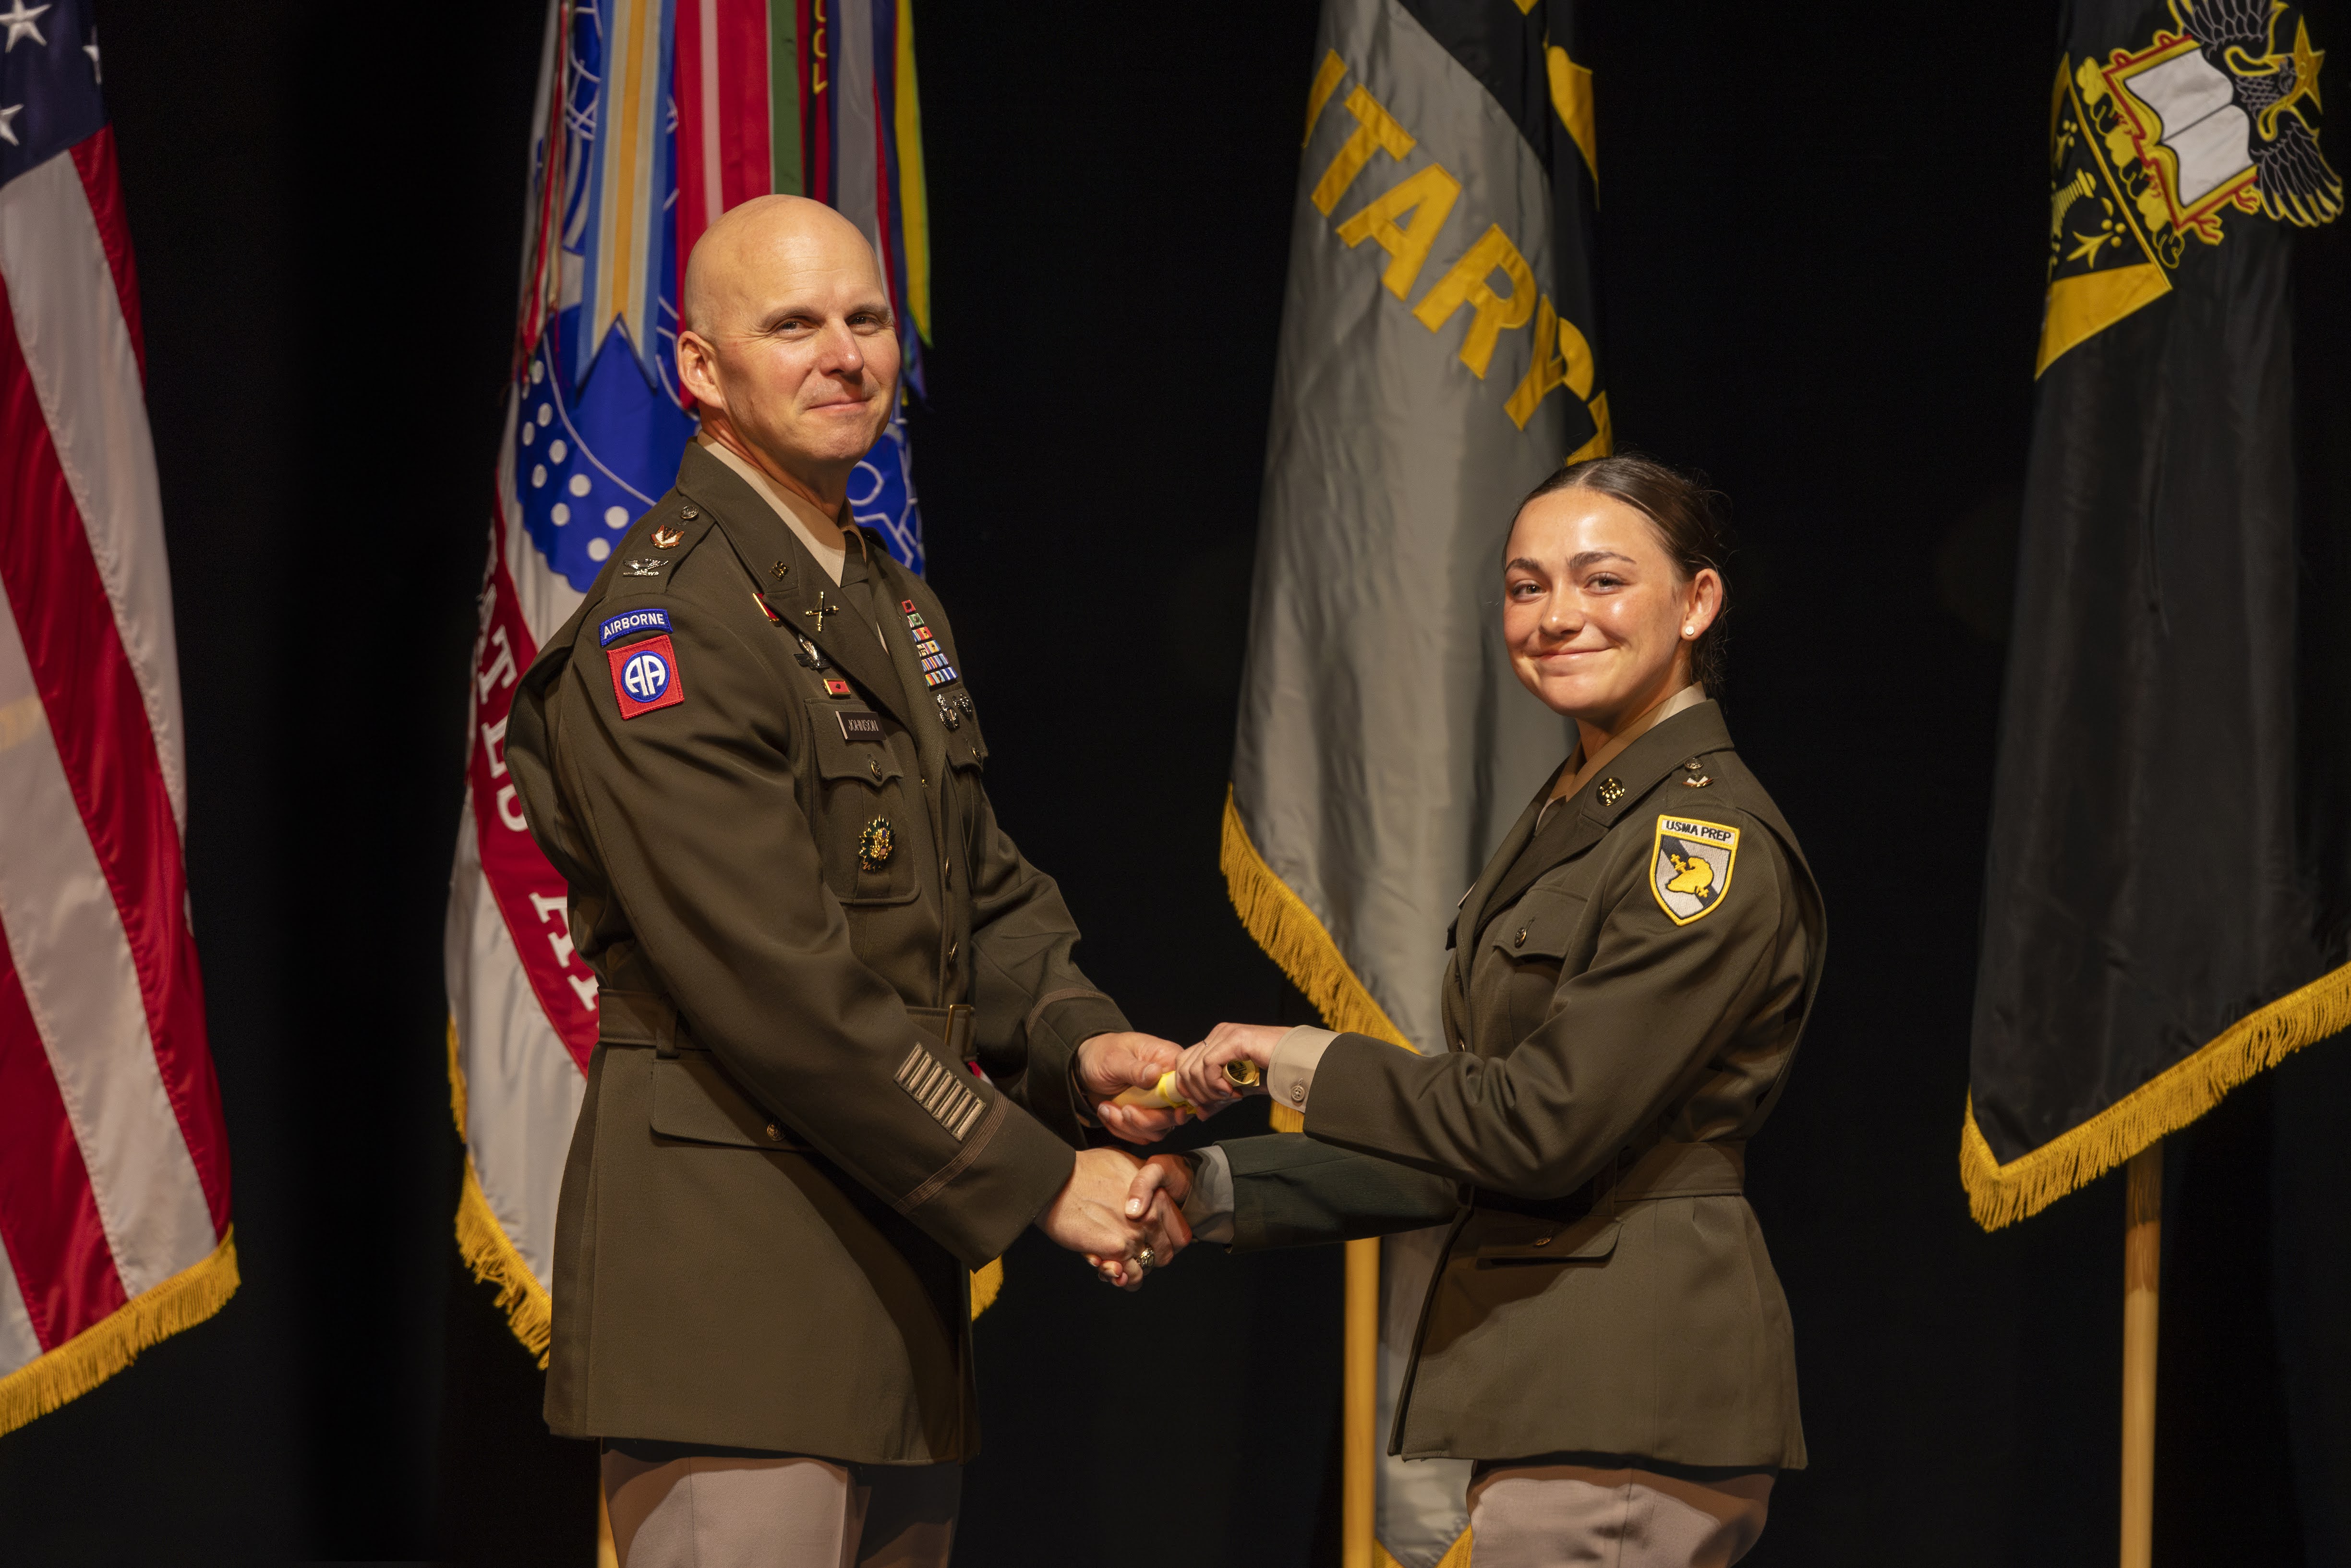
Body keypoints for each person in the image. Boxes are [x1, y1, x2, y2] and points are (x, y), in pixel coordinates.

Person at [503, 195, 1188, 1568]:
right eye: (794, 325)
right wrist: (1039, 1173)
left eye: (866, 319)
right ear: (703, 369)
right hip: (735, 1304)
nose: (844, 355)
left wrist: (1075, 1041)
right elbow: (782, 985)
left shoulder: (883, 599)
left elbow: (974, 890)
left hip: (888, 1276)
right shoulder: (670, 627)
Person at [1133, 455, 1825, 1568]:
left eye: (1601, 581)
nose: (1556, 617)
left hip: (1622, 1397)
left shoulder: (1699, 843)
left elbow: (1537, 1127)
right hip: (1557, 1395)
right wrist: (1211, 1189)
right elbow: (1466, 1145)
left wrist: (1294, 1056)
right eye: (1525, 584)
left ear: (1697, 603)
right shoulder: (1580, 810)